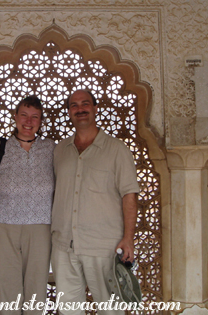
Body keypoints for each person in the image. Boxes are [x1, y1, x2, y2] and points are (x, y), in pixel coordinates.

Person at [51, 89, 140, 314]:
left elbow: (129, 195)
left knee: (110, 309)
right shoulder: (61, 150)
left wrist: (128, 238)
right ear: (69, 112)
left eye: (85, 104)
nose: (80, 109)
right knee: (69, 309)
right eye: (74, 105)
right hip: (64, 246)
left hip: (103, 246)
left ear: (95, 108)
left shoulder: (116, 150)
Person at [0, 95, 55, 314]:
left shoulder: (51, 149)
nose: (28, 121)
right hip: (3, 226)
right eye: (23, 115)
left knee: (36, 294)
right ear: (15, 117)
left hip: (41, 227)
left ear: (41, 121)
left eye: (35, 117)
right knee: (9, 295)